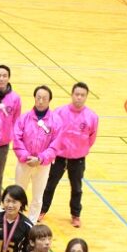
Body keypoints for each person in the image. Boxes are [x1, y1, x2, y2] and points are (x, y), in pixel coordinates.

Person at [41, 82, 98, 227]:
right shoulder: (59, 112)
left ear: (86, 97)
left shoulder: (92, 117)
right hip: (58, 157)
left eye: (82, 95)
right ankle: (42, 210)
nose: (79, 97)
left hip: (78, 159)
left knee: (77, 188)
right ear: (72, 95)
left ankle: (75, 215)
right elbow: (51, 131)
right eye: (77, 94)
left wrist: (80, 150)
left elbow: (91, 138)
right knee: (50, 184)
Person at [13, 85, 62, 222]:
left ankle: (32, 222)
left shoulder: (56, 121)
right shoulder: (24, 118)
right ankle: (16, 219)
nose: (40, 101)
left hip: (43, 165)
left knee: (37, 196)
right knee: (18, 192)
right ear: (34, 98)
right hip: (24, 162)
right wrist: (26, 157)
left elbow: (55, 145)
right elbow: (17, 139)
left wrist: (40, 159)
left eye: (44, 98)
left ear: (49, 100)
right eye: (38, 97)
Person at [0, 65, 22, 208]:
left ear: (8, 78)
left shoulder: (15, 98)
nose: (1, 78)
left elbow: (17, 120)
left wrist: (10, 135)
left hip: (2, 143)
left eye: (4, 76)